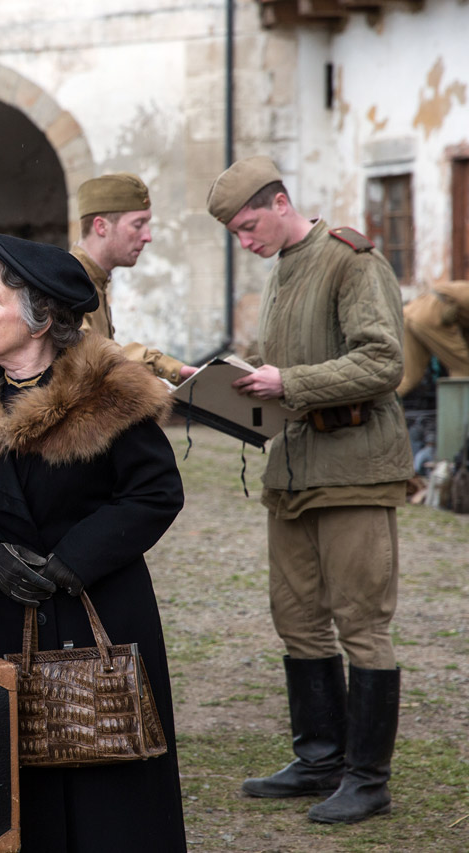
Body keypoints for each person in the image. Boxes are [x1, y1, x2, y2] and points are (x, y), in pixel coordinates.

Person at [0, 231, 186, 852]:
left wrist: (71, 562)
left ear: (40, 319)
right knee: (26, 790)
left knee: (116, 797)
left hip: (103, 611)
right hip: (10, 616)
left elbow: (156, 492)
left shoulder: (107, 391)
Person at [207, 156, 411, 824]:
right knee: (295, 617)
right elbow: (287, 367)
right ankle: (321, 758)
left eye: (247, 226)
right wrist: (228, 381)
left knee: (361, 619)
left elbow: (384, 359)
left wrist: (286, 383)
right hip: (293, 472)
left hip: (354, 469)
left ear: (281, 201)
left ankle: (367, 777)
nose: (246, 242)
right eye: (236, 234)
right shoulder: (284, 272)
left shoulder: (351, 259)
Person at [71, 172, 194, 383]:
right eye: (138, 224)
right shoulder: (70, 282)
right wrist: (159, 364)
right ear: (101, 227)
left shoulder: (93, 280)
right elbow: (90, 351)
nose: (148, 236)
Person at [396, 280, 469, 398]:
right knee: (464, 369)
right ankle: (456, 414)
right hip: (432, 315)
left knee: (409, 379)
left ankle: (377, 406)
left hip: (412, 311)